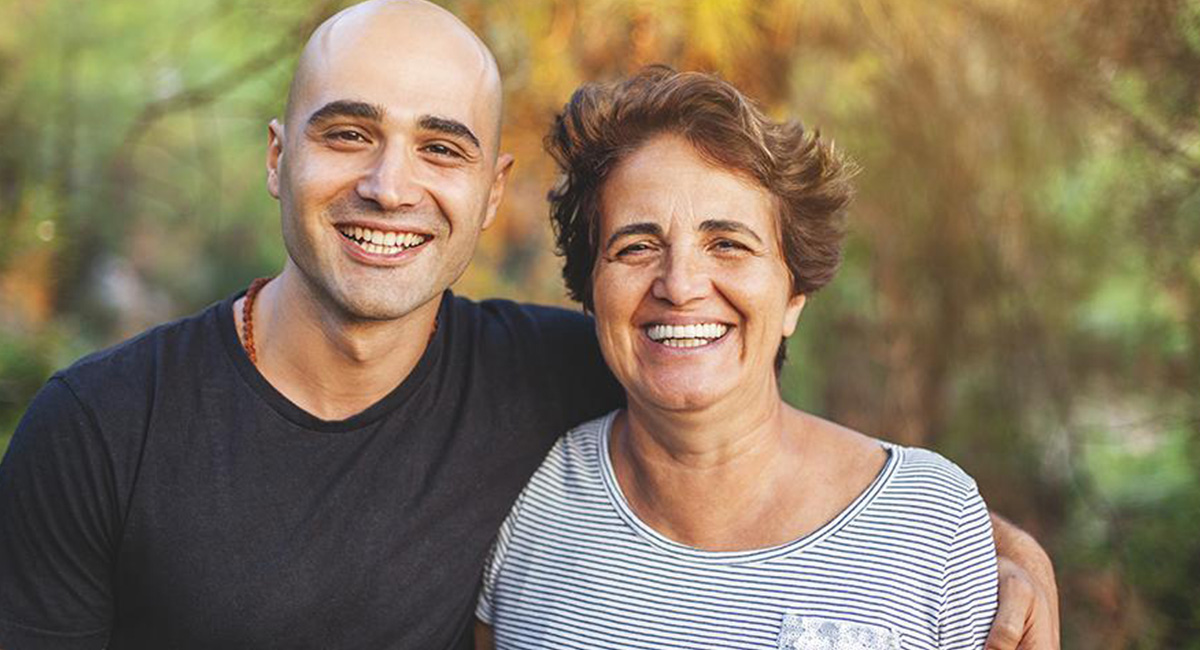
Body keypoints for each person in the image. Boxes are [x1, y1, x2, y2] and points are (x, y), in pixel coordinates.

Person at [0, 1, 1055, 649]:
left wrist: (993, 547)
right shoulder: (100, 428)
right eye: (348, 132)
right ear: (279, 155)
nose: (386, 183)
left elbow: (746, 423)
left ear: (492, 188)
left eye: (440, 147)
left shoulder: (549, 379)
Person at [475, 68, 1000, 649]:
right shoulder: (521, 500)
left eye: (727, 244)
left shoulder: (931, 523)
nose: (680, 284)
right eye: (637, 246)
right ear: (591, 294)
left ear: (794, 296)